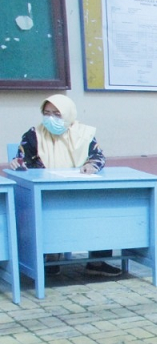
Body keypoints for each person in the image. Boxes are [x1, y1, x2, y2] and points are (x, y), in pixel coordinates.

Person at [9, 95, 120, 277]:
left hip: (79, 190)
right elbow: (23, 160)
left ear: (68, 115)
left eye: (57, 114)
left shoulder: (84, 134)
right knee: (47, 213)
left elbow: (98, 157)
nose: (51, 118)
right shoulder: (33, 134)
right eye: (46, 113)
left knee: (100, 210)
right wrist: (17, 163)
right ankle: (52, 258)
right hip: (46, 193)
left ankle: (97, 262)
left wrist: (91, 165)